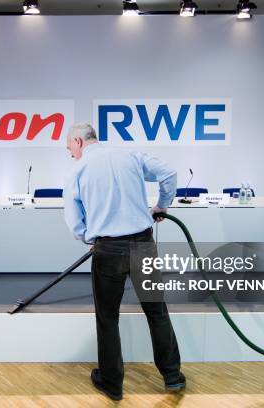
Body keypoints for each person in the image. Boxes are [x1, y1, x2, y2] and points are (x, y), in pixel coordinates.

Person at [63, 123, 185, 401]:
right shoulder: (130, 155)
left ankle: (112, 383)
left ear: (79, 142)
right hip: (143, 244)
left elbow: (73, 220)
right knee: (157, 311)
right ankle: (173, 377)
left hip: (108, 248)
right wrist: (162, 206)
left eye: (69, 147)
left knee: (108, 318)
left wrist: (88, 238)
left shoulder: (78, 170)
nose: (70, 153)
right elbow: (169, 173)